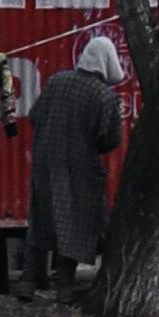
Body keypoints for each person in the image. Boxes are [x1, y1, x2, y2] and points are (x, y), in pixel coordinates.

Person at [25, 20, 128, 293]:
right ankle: (65, 287)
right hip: (79, 171)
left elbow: (34, 116)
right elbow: (111, 140)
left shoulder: (56, 81)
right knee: (74, 224)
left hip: (44, 165)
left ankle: (27, 282)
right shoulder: (104, 97)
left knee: (40, 221)